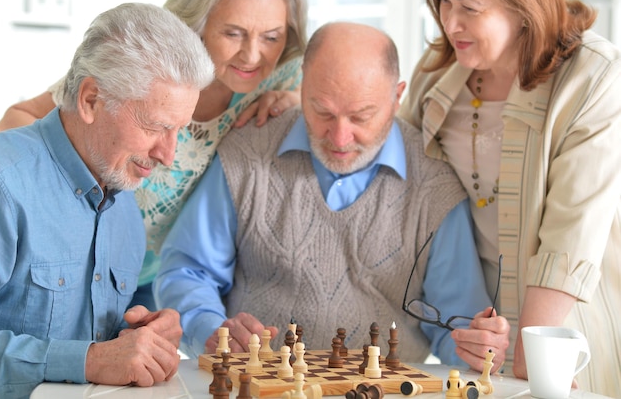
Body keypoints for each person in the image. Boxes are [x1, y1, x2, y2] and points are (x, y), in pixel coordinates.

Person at [154, 22, 510, 372]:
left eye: (361, 116)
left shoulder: (435, 187)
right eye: (323, 111)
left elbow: (457, 327)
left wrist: (478, 348)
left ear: (397, 97)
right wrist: (211, 330)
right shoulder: (246, 154)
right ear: (303, 86)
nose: (340, 138)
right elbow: (187, 271)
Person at [0, 0, 308, 311]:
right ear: (199, 23)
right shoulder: (152, 64)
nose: (253, 55)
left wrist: (298, 99)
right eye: (234, 33)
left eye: (271, 37)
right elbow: (23, 120)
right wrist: (45, 213)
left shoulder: (281, 74)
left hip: (153, 273)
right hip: (75, 259)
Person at [397, 0, 621, 396]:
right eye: (443, 1)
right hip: (476, 332)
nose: (449, 22)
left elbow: (571, 231)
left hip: (563, 326)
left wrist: (532, 350)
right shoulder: (436, 71)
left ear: (524, 7)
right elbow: (398, 170)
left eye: (469, 8)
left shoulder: (593, 75)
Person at [0, 2, 214, 398]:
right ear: (91, 99)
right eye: (156, 126)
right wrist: (90, 360)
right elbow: (94, 360)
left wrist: (146, 331)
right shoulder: (2, 183)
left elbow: (111, 342)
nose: (169, 154)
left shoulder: (125, 202)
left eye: (179, 129)